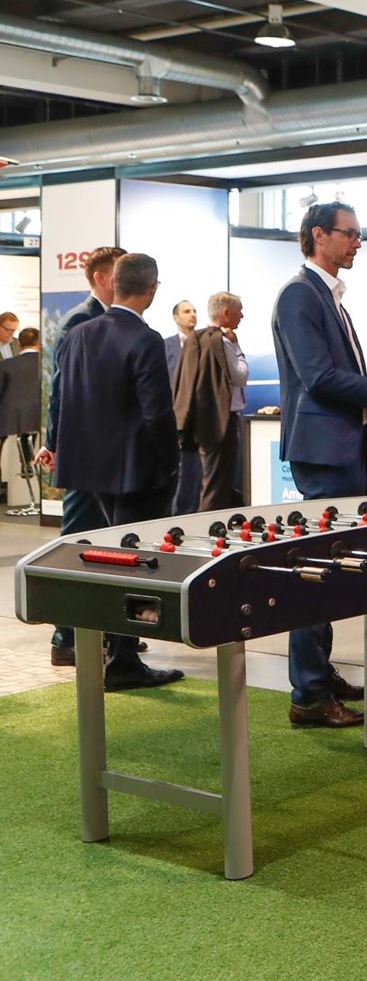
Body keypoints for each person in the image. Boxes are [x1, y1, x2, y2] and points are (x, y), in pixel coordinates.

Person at [272, 201, 367, 729]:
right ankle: (308, 694)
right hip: (322, 454)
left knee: (329, 568)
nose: (357, 242)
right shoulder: (299, 295)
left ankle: (318, 675)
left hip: (339, 446)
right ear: (318, 235)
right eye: (349, 233)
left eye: (359, 234)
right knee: (317, 570)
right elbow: (318, 376)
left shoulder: (326, 295)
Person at [52, 252, 184, 692]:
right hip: (137, 471)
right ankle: (122, 661)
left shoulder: (80, 333)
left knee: (112, 560)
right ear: (151, 289)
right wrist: (171, 462)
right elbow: (156, 412)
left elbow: (63, 397)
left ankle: (118, 653)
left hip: (92, 470)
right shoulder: (145, 338)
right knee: (135, 563)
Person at [39, 246, 125, 667]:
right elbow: (62, 388)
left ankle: (102, 633)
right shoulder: (80, 320)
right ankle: (65, 637)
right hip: (84, 455)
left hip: (103, 456)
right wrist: (54, 444)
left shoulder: (107, 319)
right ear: (101, 278)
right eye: (119, 273)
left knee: (102, 544)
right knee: (75, 544)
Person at [173, 292, 250, 512]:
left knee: (207, 482)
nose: (242, 316)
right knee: (217, 486)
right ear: (226, 312)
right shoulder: (223, 341)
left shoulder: (196, 339)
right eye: (239, 311)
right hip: (222, 422)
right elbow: (240, 376)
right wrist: (237, 348)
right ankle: (210, 526)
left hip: (202, 422)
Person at [164, 299, 202, 514]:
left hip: (199, 422)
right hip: (174, 420)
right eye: (187, 311)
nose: (192, 314)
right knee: (177, 476)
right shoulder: (166, 346)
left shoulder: (205, 343)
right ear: (176, 317)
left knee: (195, 476)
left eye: (194, 311)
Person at [0, 327, 41, 513]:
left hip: (9, 419)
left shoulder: (6, 365)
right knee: (27, 438)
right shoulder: (45, 363)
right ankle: (28, 465)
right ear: (39, 343)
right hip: (38, 416)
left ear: (19, 344)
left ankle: (26, 466)